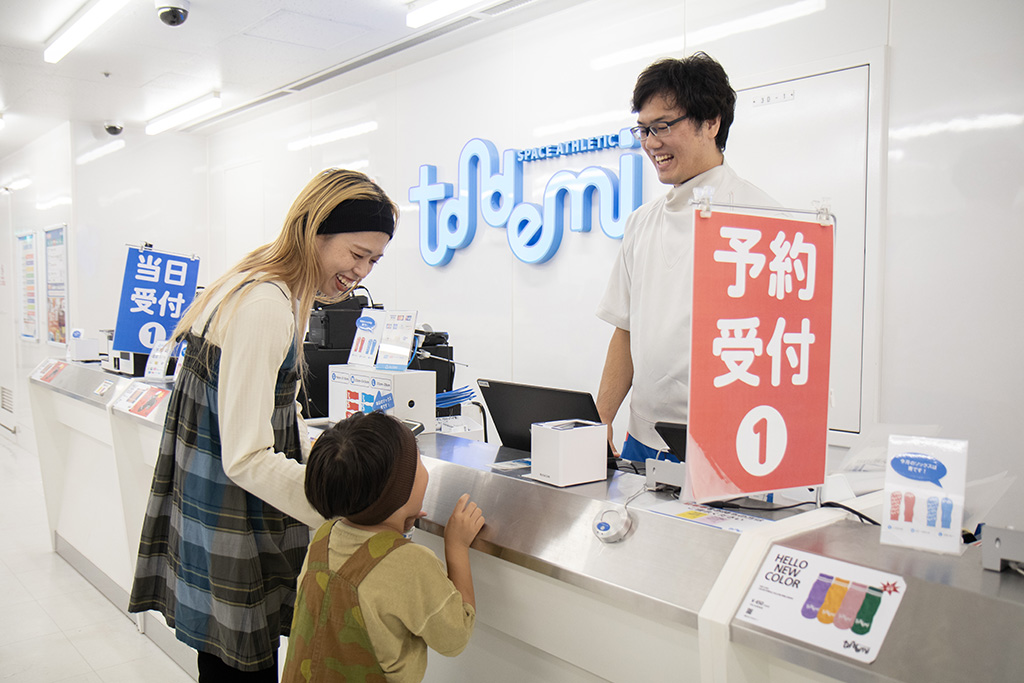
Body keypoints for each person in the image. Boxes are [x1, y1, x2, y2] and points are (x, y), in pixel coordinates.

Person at [129, 168, 399, 681]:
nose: (362, 271)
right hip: (232, 516)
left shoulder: (260, 283)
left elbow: (265, 407)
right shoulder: (267, 304)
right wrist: (339, 507)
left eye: (374, 260)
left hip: (215, 506)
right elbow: (247, 455)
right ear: (315, 231)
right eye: (356, 254)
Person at [596, 52, 778, 463]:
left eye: (662, 126)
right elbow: (625, 330)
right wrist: (601, 418)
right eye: (643, 130)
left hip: (726, 445)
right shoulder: (642, 222)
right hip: (642, 439)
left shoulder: (764, 220)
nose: (651, 143)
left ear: (711, 121)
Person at [282, 411, 484, 682]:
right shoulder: (412, 564)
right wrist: (456, 546)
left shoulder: (323, 537)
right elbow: (455, 637)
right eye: (420, 462)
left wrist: (400, 524)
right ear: (400, 491)